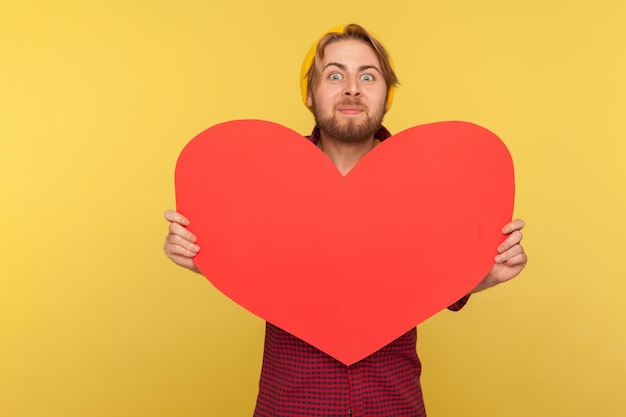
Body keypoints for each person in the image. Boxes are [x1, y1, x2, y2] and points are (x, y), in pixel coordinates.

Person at [163, 24, 527, 417]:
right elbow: (251, 265)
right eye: (334, 75)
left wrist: (484, 275)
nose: (351, 88)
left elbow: (430, 280)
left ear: (387, 95)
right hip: (290, 405)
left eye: (367, 76)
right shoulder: (266, 183)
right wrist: (201, 255)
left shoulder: (426, 185)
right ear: (309, 93)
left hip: (393, 404)